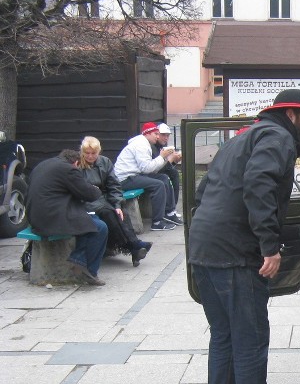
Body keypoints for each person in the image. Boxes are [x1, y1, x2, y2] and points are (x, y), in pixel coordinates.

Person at [188, 88, 300, 384]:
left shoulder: (243, 138)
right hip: (236, 254)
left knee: (224, 334)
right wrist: (269, 246)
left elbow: (203, 194)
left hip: (204, 247)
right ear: (292, 114)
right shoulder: (277, 136)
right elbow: (258, 184)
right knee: (250, 336)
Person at [27, 149, 107, 286]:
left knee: (92, 220)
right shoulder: (68, 169)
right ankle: (89, 271)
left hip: (35, 217)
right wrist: (97, 189)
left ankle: (78, 259)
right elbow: (88, 194)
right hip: (51, 217)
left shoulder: (44, 164)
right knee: (101, 227)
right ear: (75, 162)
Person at [79, 136, 152, 267]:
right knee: (109, 213)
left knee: (120, 212)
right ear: (82, 152)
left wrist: (117, 203)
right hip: (88, 201)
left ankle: (134, 247)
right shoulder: (78, 165)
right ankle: (134, 245)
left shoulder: (105, 162)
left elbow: (114, 185)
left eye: (93, 153)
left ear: (99, 152)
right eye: (87, 153)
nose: (90, 156)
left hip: (104, 198)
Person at [113, 122, 183, 231]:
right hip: (124, 179)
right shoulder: (141, 145)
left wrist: (165, 158)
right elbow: (146, 169)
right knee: (158, 184)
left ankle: (169, 212)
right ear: (147, 134)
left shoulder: (145, 144)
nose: (158, 136)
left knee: (163, 178)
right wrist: (162, 157)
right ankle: (157, 222)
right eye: (156, 134)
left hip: (134, 175)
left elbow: (151, 169)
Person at [152, 123, 181, 208]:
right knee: (170, 175)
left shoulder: (161, 147)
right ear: (157, 134)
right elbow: (157, 170)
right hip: (150, 175)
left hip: (157, 174)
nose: (166, 138)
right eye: (163, 135)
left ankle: (172, 208)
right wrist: (171, 160)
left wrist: (174, 161)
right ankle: (170, 209)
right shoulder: (153, 148)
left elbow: (164, 168)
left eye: (168, 136)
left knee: (173, 173)